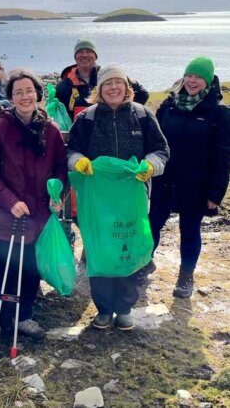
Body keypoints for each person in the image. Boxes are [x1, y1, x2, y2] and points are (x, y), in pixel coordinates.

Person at [67, 63, 169, 330]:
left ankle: (124, 307)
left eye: (118, 83)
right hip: (98, 201)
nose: (113, 88)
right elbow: (71, 151)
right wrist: (78, 162)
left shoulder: (143, 115)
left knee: (126, 249)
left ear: (127, 87)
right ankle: (103, 308)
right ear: (100, 89)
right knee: (100, 252)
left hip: (131, 201)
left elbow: (161, 150)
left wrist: (150, 165)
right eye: (107, 84)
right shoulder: (86, 118)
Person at [0, 68, 67, 351]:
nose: (25, 96)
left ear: (38, 94)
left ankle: (24, 316)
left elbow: (60, 170)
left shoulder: (51, 131)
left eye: (29, 91)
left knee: (32, 271)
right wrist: (10, 201)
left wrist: (58, 195)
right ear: (11, 98)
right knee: (6, 270)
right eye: (18, 92)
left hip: (40, 216)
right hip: (9, 216)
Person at [148, 57, 230, 298]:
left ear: (208, 81)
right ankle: (144, 263)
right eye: (189, 76)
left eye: (198, 77)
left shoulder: (219, 114)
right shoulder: (168, 105)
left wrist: (216, 192)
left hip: (196, 184)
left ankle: (186, 276)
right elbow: (154, 141)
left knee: (190, 228)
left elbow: (223, 155)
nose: (192, 81)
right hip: (164, 180)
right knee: (151, 223)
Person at [56, 38, 149, 120]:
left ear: (95, 56)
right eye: (80, 51)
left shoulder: (109, 76)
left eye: (89, 51)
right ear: (75, 57)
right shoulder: (63, 86)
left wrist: (123, 117)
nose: (84, 55)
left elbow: (142, 95)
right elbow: (60, 116)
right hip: (79, 135)